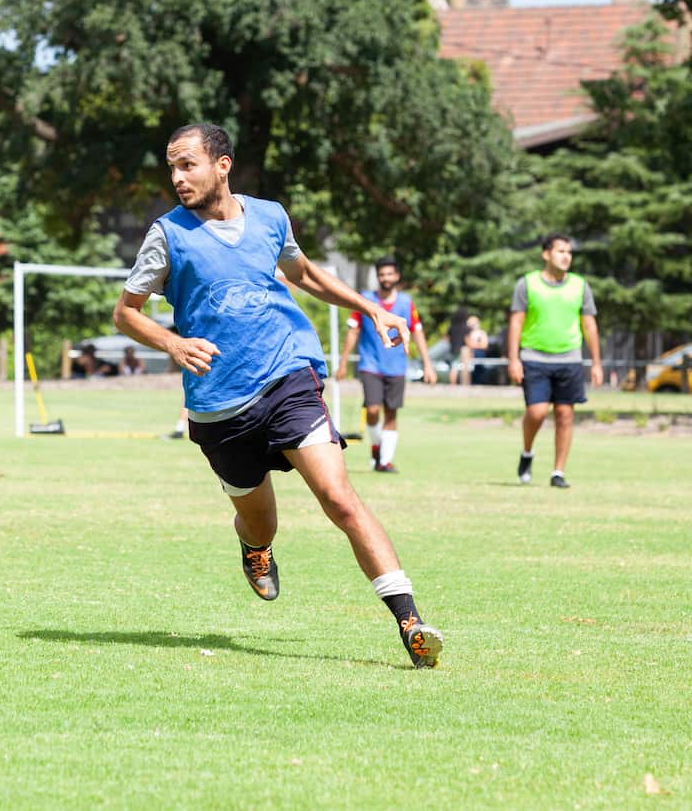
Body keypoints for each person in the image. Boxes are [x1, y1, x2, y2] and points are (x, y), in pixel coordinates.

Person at [114, 123, 443, 668]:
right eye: (171, 167)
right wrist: (172, 342)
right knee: (261, 520)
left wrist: (372, 309)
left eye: (187, 165)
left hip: (289, 375)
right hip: (220, 405)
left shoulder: (270, 216)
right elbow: (125, 312)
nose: (177, 177)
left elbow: (305, 274)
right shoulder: (167, 235)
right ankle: (255, 548)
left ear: (222, 164)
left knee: (339, 497)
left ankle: (411, 621)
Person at [507, 232, 603, 488]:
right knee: (537, 412)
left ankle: (558, 472)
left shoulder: (580, 286)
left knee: (564, 414)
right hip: (534, 357)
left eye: (569, 252)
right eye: (561, 251)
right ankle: (527, 452)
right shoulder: (527, 284)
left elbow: (590, 325)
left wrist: (596, 362)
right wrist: (513, 359)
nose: (566, 256)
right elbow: (516, 323)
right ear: (546, 254)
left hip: (569, 358)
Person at [335, 256, 437, 473]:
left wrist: (428, 364)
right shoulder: (366, 300)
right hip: (370, 364)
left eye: (390, 274)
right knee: (372, 410)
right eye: (382, 274)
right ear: (377, 277)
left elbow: (417, 333)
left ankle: (385, 461)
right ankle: (376, 445)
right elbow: (353, 331)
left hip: (397, 366)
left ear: (397, 276)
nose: (386, 278)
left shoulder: (407, 303)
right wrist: (343, 362)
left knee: (391, 413)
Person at [460, 315, 489, 386]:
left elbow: (485, 345)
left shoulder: (482, 333)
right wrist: (477, 345)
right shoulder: (467, 334)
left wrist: (475, 345)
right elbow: (469, 344)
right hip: (469, 356)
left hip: (479, 356)